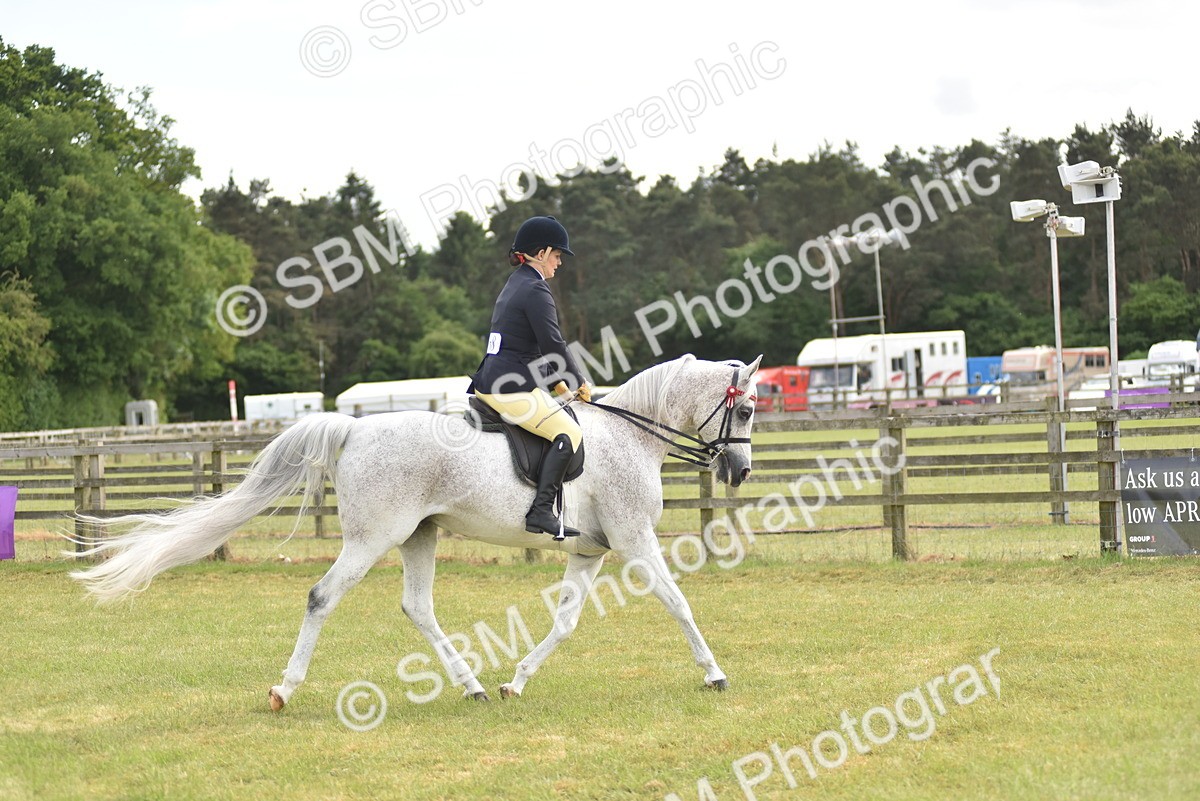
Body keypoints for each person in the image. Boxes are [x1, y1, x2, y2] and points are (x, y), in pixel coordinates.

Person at [468, 215, 592, 538]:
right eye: (557, 255)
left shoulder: (516, 283)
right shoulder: (536, 289)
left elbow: (530, 348)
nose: (559, 263)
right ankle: (540, 511)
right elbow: (553, 344)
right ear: (541, 253)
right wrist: (579, 381)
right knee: (569, 432)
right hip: (511, 387)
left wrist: (557, 383)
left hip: (492, 380)